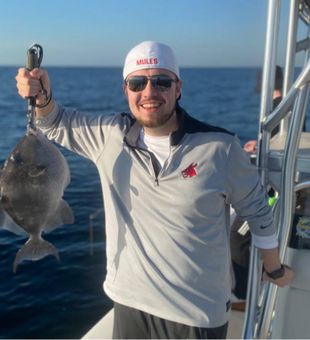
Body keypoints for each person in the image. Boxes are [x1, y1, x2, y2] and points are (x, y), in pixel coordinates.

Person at [15, 41, 294, 339]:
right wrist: (40, 96)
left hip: (197, 314)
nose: (149, 92)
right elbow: (55, 122)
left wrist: (274, 269)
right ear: (126, 90)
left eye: (161, 81)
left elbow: (257, 210)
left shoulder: (220, 147)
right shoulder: (108, 136)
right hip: (129, 302)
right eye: (137, 82)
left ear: (178, 88)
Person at [230, 65, 284, 310]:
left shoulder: (278, 107)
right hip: (274, 186)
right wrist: (260, 145)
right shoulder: (285, 105)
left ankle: (243, 298)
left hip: (273, 191)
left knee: (238, 236)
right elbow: (280, 140)